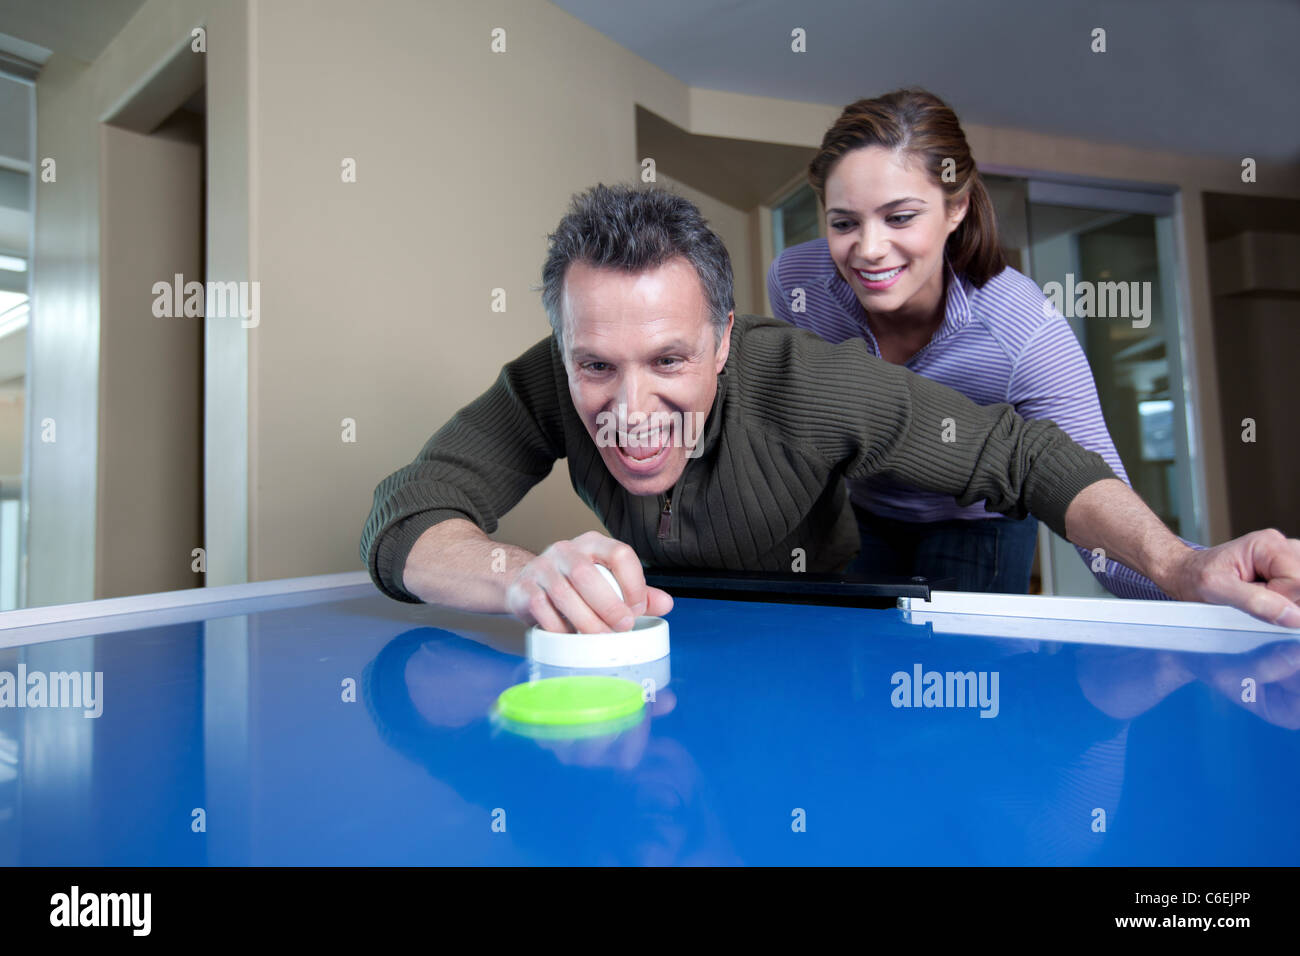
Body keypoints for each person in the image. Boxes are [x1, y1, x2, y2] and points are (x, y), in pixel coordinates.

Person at [360, 183, 1300, 634]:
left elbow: (1021, 456)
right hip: (672, 634)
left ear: (724, 341)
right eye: (596, 365)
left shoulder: (805, 381)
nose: (630, 410)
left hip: (824, 627)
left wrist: (1181, 564)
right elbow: (407, 514)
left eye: (671, 359)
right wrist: (520, 577)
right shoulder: (542, 383)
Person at [769, 88, 1193, 597]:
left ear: (956, 208)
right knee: (867, 659)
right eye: (844, 223)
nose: (870, 249)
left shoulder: (1022, 329)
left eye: (900, 217)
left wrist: (1187, 580)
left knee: (957, 672)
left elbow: (1092, 494)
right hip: (864, 511)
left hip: (977, 522)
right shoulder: (795, 284)